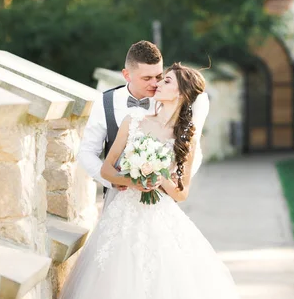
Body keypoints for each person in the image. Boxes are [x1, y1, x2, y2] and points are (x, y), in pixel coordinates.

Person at [46, 62, 287, 299]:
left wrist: (157, 179)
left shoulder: (185, 136)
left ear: (180, 93)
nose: (159, 84)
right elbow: (108, 169)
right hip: (124, 216)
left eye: (167, 80)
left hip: (161, 219)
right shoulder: (133, 121)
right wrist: (133, 180)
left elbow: (182, 191)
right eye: (159, 79)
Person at [77, 40, 209, 208]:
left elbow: (192, 152)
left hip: (160, 200)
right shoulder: (106, 102)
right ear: (127, 75)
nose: (155, 84)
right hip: (119, 198)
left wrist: (171, 175)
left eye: (159, 77)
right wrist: (116, 182)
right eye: (147, 78)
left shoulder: (167, 100)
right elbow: (87, 152)